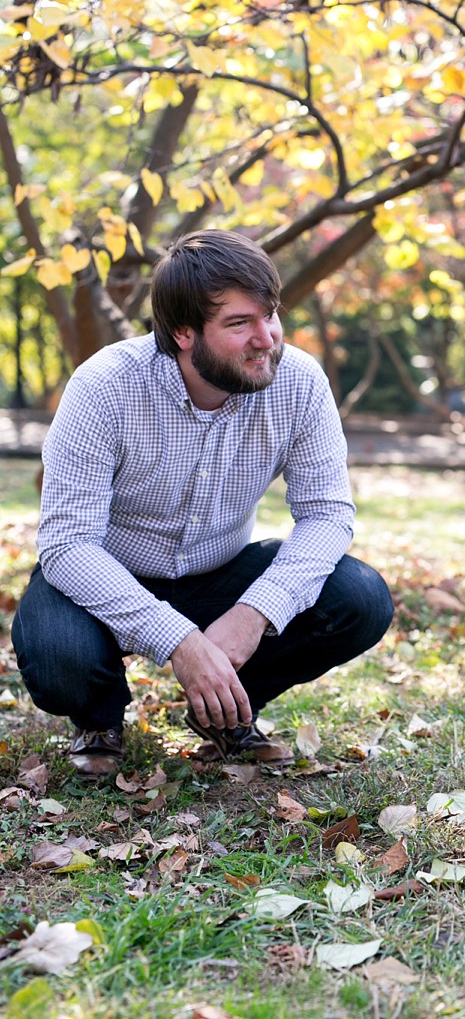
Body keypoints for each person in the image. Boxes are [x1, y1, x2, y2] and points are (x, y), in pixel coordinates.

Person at [12, 230, 394, 778]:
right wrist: (179, 642)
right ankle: (98, 720)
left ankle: (225, 706)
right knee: (58, 655)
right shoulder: (104, 387)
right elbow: (69, 545)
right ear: (183, 333)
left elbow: (328, 515)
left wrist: (253, 613)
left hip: (220, 573)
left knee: (359, 595)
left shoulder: (300, 382)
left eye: (270, 315)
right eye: (240, 324)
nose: (266, 339)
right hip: (106, 574)